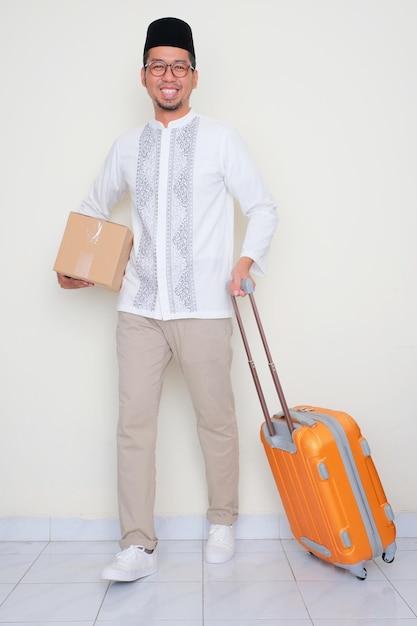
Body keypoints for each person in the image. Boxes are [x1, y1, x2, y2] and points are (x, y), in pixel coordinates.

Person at [57, 16, 278, 582]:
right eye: (159, 65)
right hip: (139, 308)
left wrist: (245, 263)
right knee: (133, 426)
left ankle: (223, 521)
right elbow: (91, 210)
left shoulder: (222, 138)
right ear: (144, 76)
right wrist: (79, 266)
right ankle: (137, 544)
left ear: (194, 77)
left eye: (179, 66)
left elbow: (262, 208)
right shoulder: (127, 147)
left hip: (204, 306)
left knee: (217, 420)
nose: (169, 76)